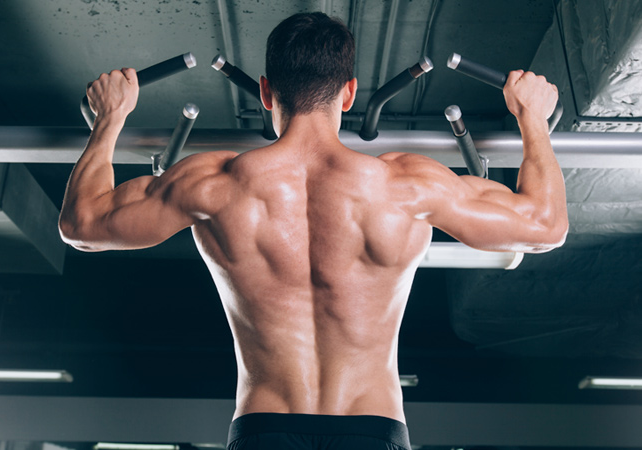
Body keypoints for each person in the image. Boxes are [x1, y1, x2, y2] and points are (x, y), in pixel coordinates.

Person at [59, 12, 568, 450]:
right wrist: (532, 118)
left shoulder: (215, 183)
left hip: (264, 427)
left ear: (264, 92)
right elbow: (545, 226)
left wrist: (111, 117)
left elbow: (82, 225)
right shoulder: (404, 185)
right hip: (373, 426)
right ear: (348, 94)